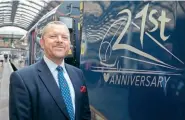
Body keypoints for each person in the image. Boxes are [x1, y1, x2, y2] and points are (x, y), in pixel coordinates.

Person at [9, 21, 91, 120]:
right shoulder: (22, 78)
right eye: (53, 36)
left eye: (65, 37)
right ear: (42, 43)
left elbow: (85, 113)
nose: (60, 40)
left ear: (69, 44)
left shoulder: (78, 74)